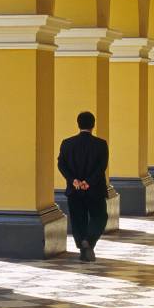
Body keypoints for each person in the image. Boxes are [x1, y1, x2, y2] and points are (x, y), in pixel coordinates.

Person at [57, 111, 109, 263]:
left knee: (78, 219)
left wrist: (73, 180)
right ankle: (88, 241)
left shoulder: (67, 143)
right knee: (99, 217)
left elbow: (61, 164)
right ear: (93, 125)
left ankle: (83, 246)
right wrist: (89, 182)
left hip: (75, 190)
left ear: (78, 124)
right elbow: (102, 166)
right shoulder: (100, 144)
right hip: (94, 189)